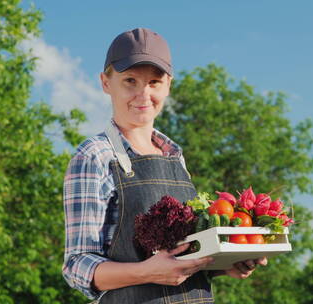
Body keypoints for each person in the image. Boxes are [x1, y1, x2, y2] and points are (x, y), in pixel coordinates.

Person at [62, 28, 267, 304]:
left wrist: (226, 262)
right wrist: (145, 272)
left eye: (154, 82)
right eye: (130, 81)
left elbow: (182, 256)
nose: (143, 94)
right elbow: (76, 266)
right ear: (106, 83)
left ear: (168, 85)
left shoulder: (175, 157)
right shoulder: (94, 156)